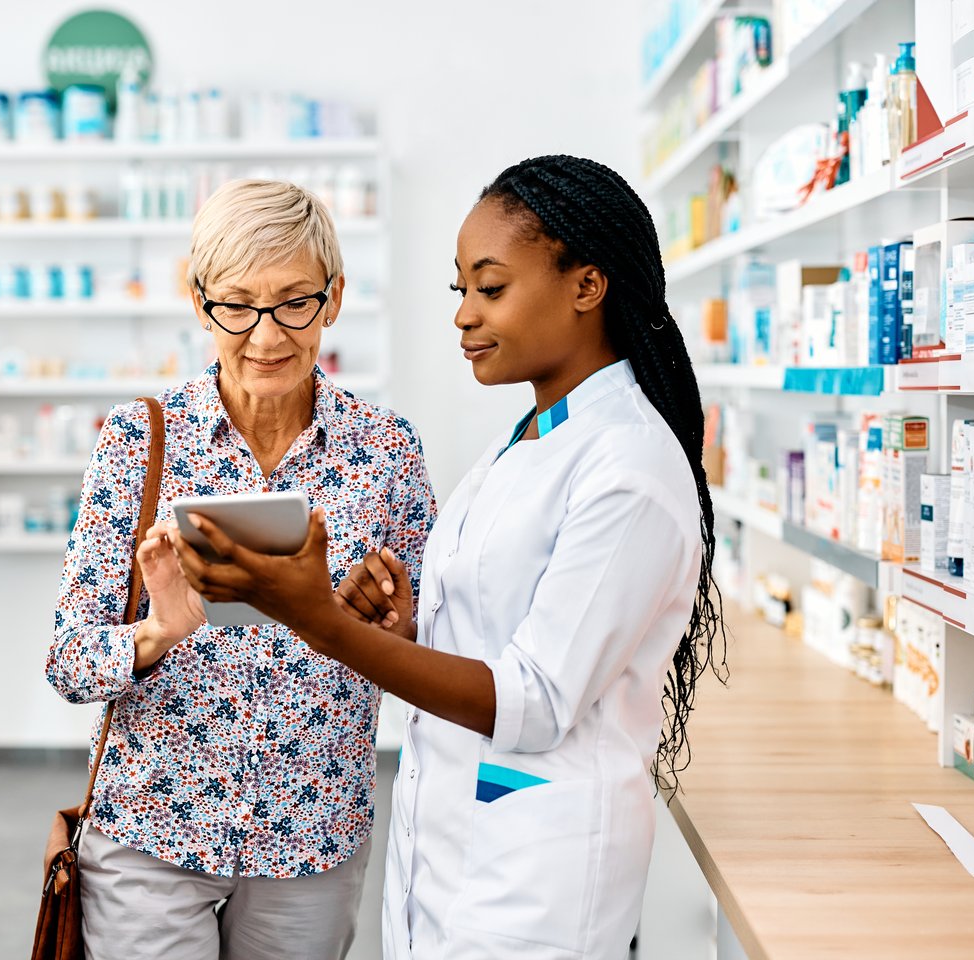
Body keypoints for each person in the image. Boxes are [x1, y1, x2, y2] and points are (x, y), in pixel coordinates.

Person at [169, 155, 727, 959]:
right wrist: (407, 629)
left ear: (587, 286)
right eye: (459, 289)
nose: (464, 315)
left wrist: (319, 619)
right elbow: (498, 638)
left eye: (491, 289)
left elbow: (533, 699)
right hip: (457, 843)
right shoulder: (535, 440)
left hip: (535, 871)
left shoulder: (628, 470)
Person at [45, 179, 436, 960]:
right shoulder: (140, 440)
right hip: (153, 833)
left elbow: (426, 649)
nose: (265, 335)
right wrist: (155, 633)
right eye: (236, 305)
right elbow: (67, 661)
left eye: (295, 301)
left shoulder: (386, 449)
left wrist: (390, 620)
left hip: (310, 838)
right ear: (199, 301)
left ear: (334, 297)